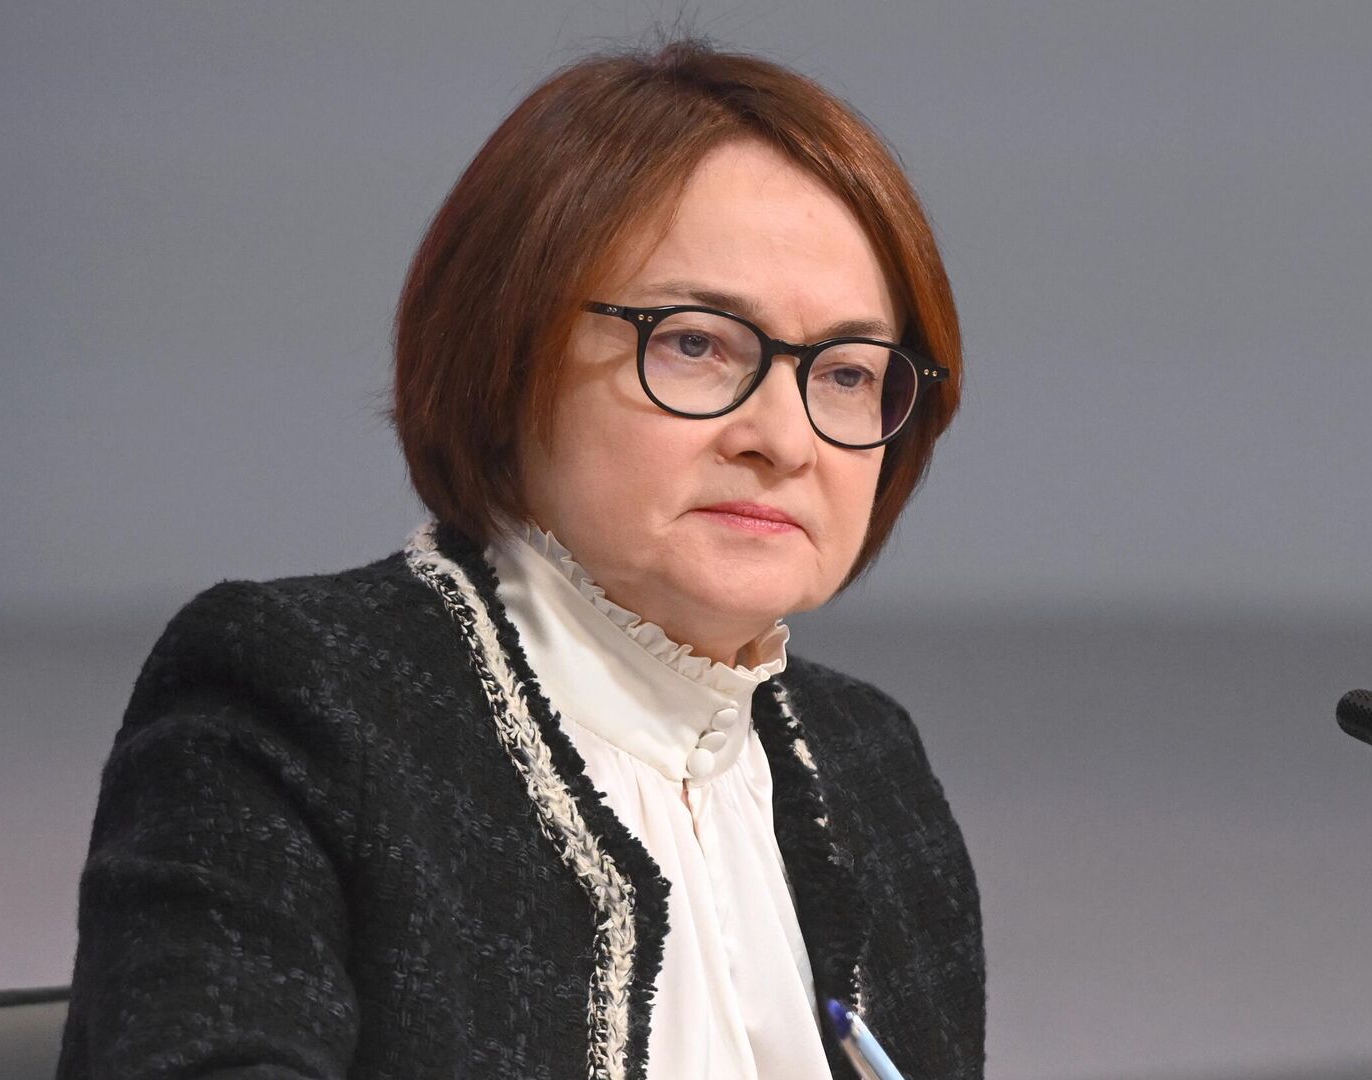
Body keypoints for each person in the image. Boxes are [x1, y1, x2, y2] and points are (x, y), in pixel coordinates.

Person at [57, 40, 983, 1080]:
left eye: (848, 372)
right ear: (505, 357)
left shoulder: (867, 765)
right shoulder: (292, 699)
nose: (785, 439)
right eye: (696, 342)